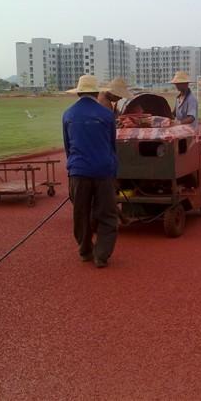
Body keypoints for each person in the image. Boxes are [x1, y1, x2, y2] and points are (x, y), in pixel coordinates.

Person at [62, 75, 119, 268]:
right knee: (107, 214)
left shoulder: (68, 115)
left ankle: (85, 250)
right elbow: (112, 145)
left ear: (78, 92)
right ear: (96, 92)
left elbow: (68, 146)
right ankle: (101, 254)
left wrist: (74, 168)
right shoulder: (106, 115)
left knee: (81, 213)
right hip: (103, 170)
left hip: (79, 170)